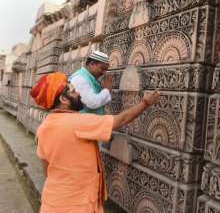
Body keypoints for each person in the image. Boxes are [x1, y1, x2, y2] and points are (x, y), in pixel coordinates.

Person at [30, 72, 160, 213]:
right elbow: (120, 120)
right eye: (73, 90)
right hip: (77, 205)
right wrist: (145, 103)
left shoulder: (43, 128)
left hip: (51, 202)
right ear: (63, 99)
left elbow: (47, 168)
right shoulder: (78, 122)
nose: (78, 93)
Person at [69, 50, 113, 115]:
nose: (104, 73)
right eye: (102, 68)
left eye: (106, 70)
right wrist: (107, 89)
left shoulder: (91, 78)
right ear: (92, 64)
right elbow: (92, 103)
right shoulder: (79, 78)